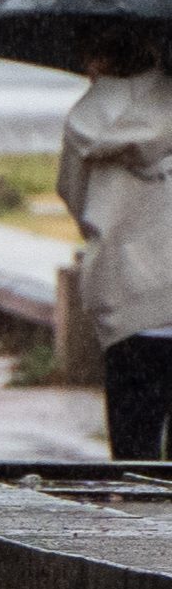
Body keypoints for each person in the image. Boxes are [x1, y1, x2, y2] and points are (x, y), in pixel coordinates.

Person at [61, 32, 172, 458]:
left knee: (133, 454)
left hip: (125, 299)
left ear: (97, 57)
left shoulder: (85, 120)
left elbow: (73, 194)